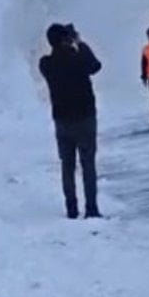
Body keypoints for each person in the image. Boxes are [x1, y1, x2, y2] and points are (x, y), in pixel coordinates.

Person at [38, 23, 103, 219]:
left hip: (62, 120)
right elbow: (95, 66)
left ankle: (71, 208)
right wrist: (79, 42)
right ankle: (91, 208)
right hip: (85, 117)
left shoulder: (46, 64)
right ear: (66, 39)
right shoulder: (78, 58)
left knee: (67, 166)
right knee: (88, 164)